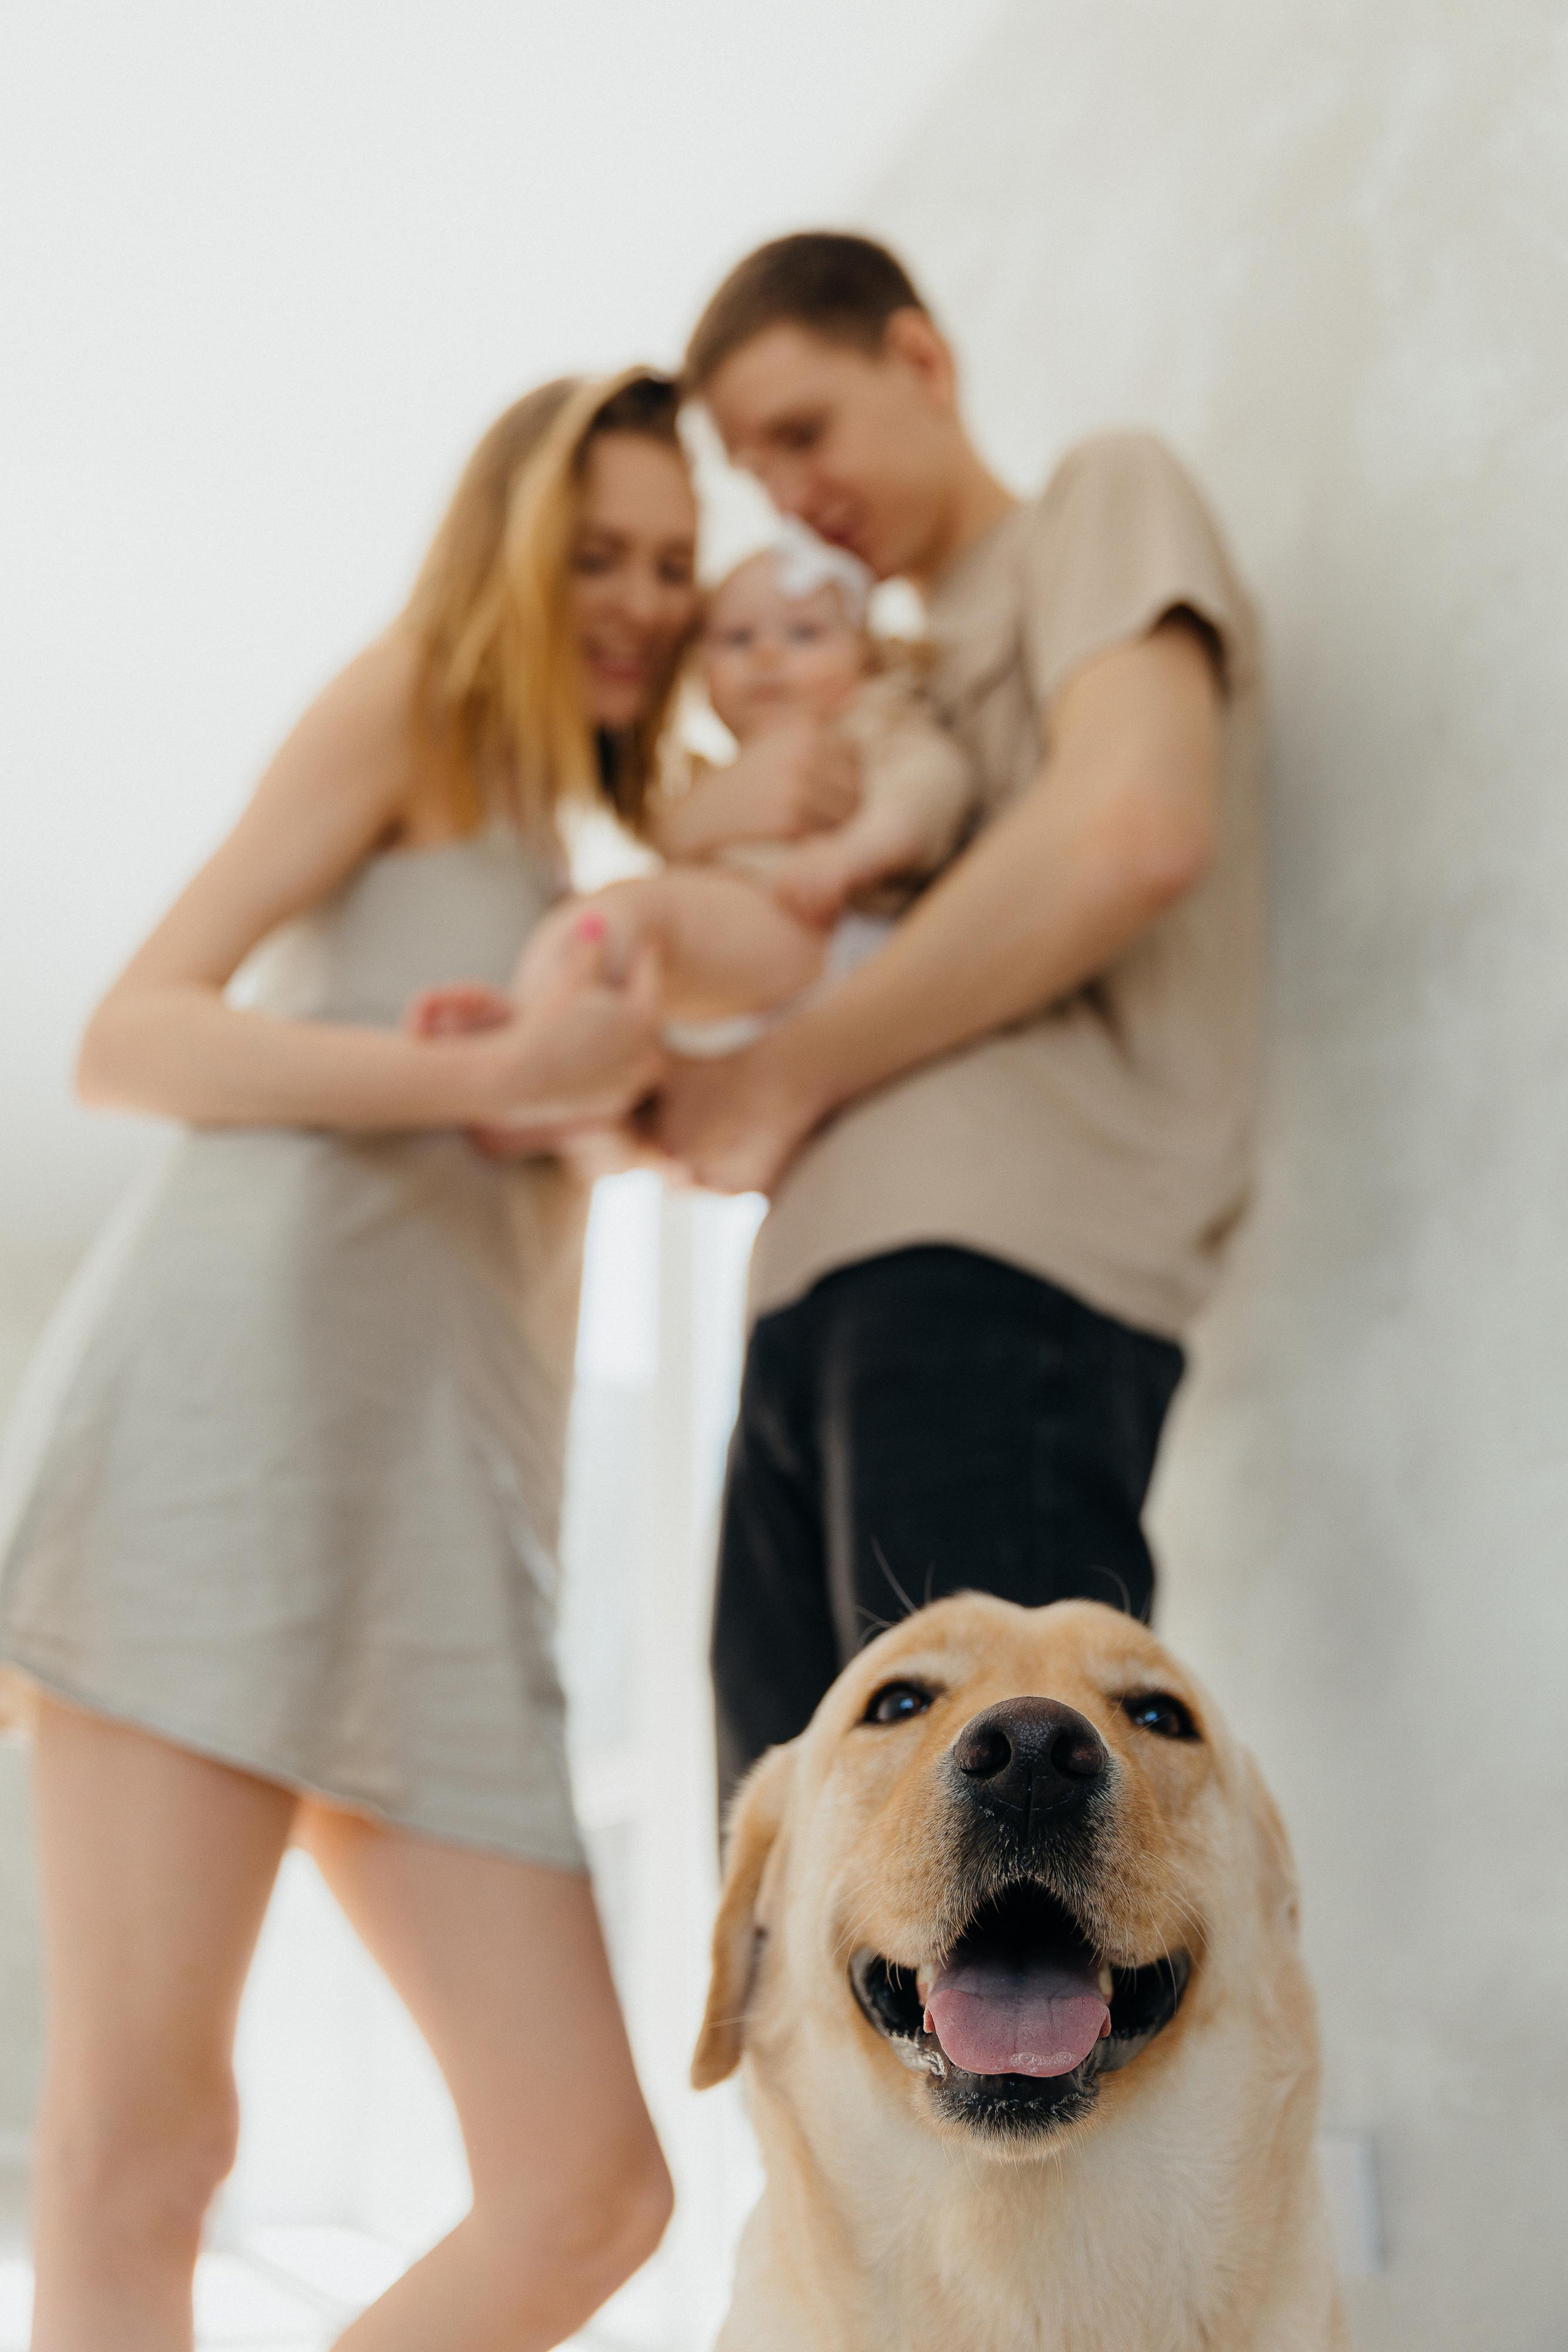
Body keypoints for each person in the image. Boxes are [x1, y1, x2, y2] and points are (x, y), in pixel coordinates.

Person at [0, 369, 696, 2351]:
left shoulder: (591, 896)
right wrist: (479, 1067)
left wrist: (580, 1093)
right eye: (599, 553)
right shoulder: (412, 710)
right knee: (145, 2136)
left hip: (446, 1527)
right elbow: (130, 1034)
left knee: (588, 2191)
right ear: (513, 544)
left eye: (672, 563)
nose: (638, 600)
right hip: (217, 1450)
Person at [658, 233, 1264, 1803]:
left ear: (918, 361)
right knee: (798, 1914)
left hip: (997, 1274)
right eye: (751, 466)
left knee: (1004, 1913)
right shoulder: (860, 683)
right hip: (806, 1305)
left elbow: (1128, 827)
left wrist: (781, 1075)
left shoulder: (1095, 502)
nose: (786, 490)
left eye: (801, 430)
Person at [413, 519, 974, 1084]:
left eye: (804, 634)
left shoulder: (873, 717)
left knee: (624, 917)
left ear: (868, 656)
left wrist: (856, 852)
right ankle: (536, 1038)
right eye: (736, 639)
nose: (767, 655)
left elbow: (935, 782)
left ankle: (527, 1053)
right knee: (608, 936)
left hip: (831, 928)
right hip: (744, 978)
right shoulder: (712, 776)